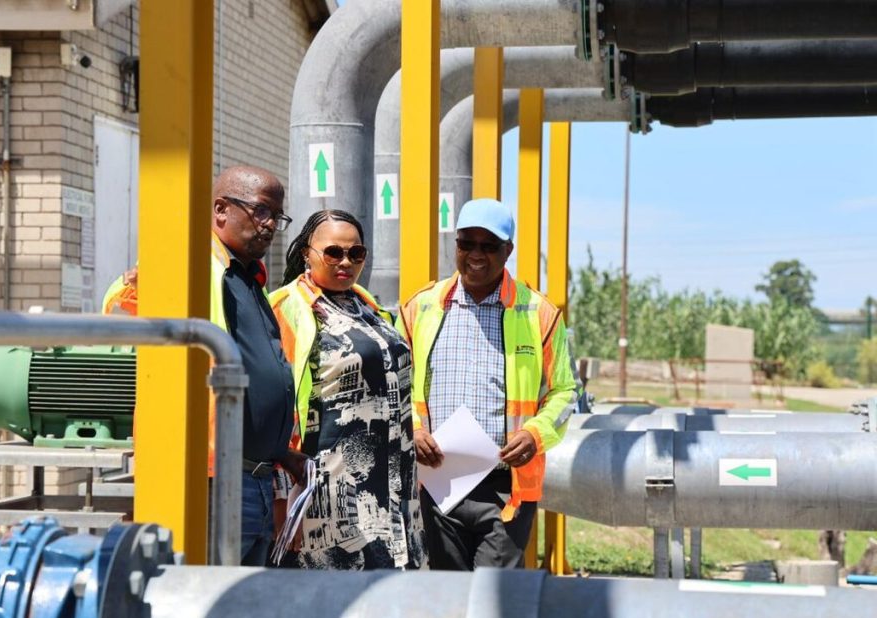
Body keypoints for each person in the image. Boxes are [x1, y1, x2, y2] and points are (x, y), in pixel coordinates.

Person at [102, 165, 304, 567]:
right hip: (212, 479)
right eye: (261, 211)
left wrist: (282, 451)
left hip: (257, 479)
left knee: (241, 601)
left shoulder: (249, 279)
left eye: (277, 216)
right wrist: (145, 280)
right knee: (208, 596)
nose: (269, 225)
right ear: (221, 209)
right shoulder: (192, 264)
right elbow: (119, 309)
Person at [396, 198, 580, 570]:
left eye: (489, 246)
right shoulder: (421, 308)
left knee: (494, 594)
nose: (476, 254)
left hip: (507, 487)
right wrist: (412, 430)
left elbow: (564, 391)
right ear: (456, 245)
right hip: (437, 483)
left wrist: (534, 434)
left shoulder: (539, 313)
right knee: (447, 592)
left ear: (508, 250)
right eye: (467, 243)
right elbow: (394, 384)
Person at [268, 209, 426, 569]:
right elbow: (275, 407)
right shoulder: (286, 310)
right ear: (306, 253)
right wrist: (281, 498)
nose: (345, 262)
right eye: (333, 252)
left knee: (392, 597)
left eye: (356, 253)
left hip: (394, 493)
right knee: (335, 597)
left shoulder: (368, 306)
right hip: (330, 498)